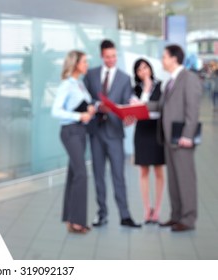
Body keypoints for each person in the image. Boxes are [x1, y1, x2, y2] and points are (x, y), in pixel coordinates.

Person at [83, 39, 141, 228]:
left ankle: (125, 215)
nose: (111, 60)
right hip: (96, 133)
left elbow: (126, 101)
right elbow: (84, 99)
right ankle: (102, 214)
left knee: (119, 176)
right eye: (107, 57)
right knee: (98, 175)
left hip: (115, 133)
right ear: (102, 56)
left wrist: (129, 110)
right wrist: (97, 105)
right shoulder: (91, 75)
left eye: (114, 56)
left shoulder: (124, 78)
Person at [152, 44, 201, 231]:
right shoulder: (170, 81)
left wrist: (188, 135)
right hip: (169, 138)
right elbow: (161, 106)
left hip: (182, 139)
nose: (162, 60)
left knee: (186, 179)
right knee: (174, 179)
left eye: (164, 57)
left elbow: (192, 110)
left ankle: (188, 219)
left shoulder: (189, 78)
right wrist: (139, 106)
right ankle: (176, 215)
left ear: (174, 58)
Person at [52, 50, 95, 234]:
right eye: (84, 62)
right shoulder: (66, 85)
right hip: (70, 132)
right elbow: (56, 111)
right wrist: (79, 115)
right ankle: (77, 222)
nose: (87, 65)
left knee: (73, 173)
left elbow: (83, 106)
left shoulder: (80, 85)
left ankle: (70, 218)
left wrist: (91, 110)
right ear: (76, 63)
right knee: (81, 175)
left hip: (80, 131)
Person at [132, 58, 165, 224]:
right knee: (143, 171)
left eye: (145, 67)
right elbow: (137, 108)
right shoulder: (136, 89)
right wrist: (145, 89)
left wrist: (147, 103)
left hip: (156, 130)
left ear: (150, 68)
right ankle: (147, 209)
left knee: (158, 171)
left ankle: (157, 209)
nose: (143, 71)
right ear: (137, 74)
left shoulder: (161, 86)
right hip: (142, 130)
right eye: (139, 70)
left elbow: (161, 107)